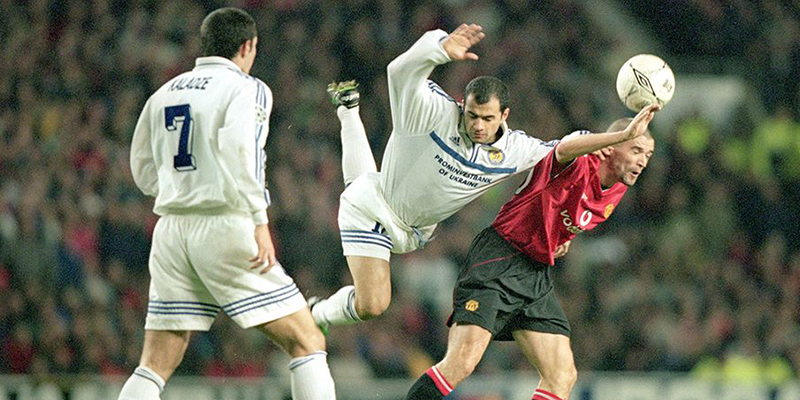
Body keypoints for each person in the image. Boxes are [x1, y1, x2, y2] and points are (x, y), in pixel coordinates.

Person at [118, 8, 335, 400]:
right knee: (307, 340)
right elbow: (241, 151)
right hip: (224, 223)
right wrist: (259, 221)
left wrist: (184, 190)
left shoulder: (165, 92)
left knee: (155, 363)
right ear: (248, 46)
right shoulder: (247, 88)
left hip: (171, 231)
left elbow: (142, 168)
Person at [311, 24, 564, 330]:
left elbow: (563, 151)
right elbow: (399, 71)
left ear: (504, 116)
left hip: (411, 225)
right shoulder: (433, 111)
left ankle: (349, 109)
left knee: (365, 186)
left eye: (487, 118)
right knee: (372, 304)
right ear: (463, 106)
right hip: (373, 213)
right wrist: (437, 49)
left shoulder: (514, 149)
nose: (479, 126)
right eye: (472, 116)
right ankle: (316, 314)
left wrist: (609, 143)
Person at [402, 105, 660, 400]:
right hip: (500, 258)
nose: (642, 161)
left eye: (648, 154)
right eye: (636, 149)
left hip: (535, 274)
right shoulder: (580, 160)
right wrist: (618, 135)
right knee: (462, 361)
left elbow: (569, 210)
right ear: (611, 146)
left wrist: (563, 237)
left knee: (561, 375)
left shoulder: (618, 187)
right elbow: (564, 148)